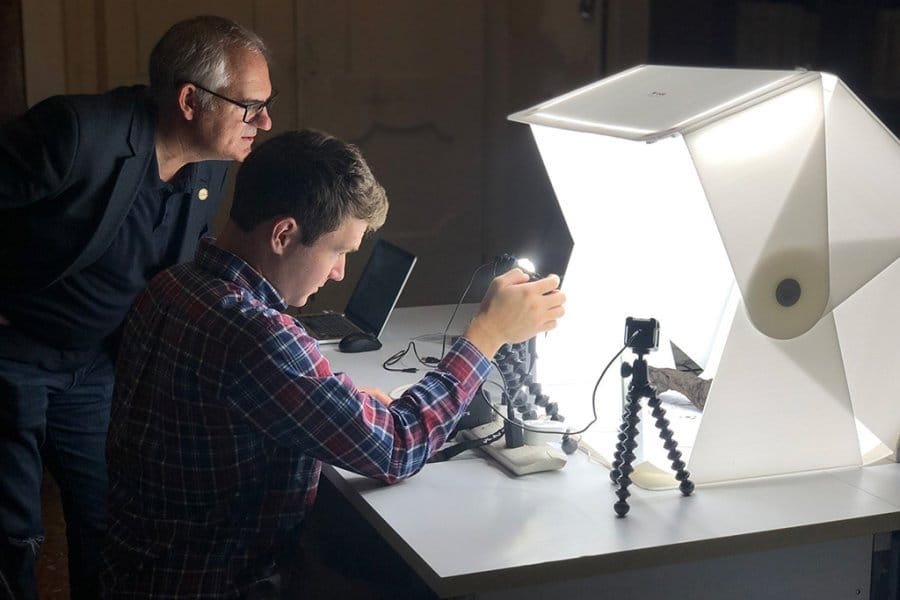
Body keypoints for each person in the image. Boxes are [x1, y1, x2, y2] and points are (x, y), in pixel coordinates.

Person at [101, 129, 566, 598]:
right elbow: (398, 447)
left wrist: (337, 403)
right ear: (284, 234)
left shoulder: (172, 286)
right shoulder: (256, 334)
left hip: (139, 571)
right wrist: (487, 335)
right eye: (338, 251)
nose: (339, 272)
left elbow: (233, 399)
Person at [0, 15, 274, 599]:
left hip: (95, 364)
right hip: (12, 352)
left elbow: (186, 276)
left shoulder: (210, 166)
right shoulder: (76, 132)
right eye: (251, 106)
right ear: (189, 101)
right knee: (12, 536)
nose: (264, 122)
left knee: (107, 522)